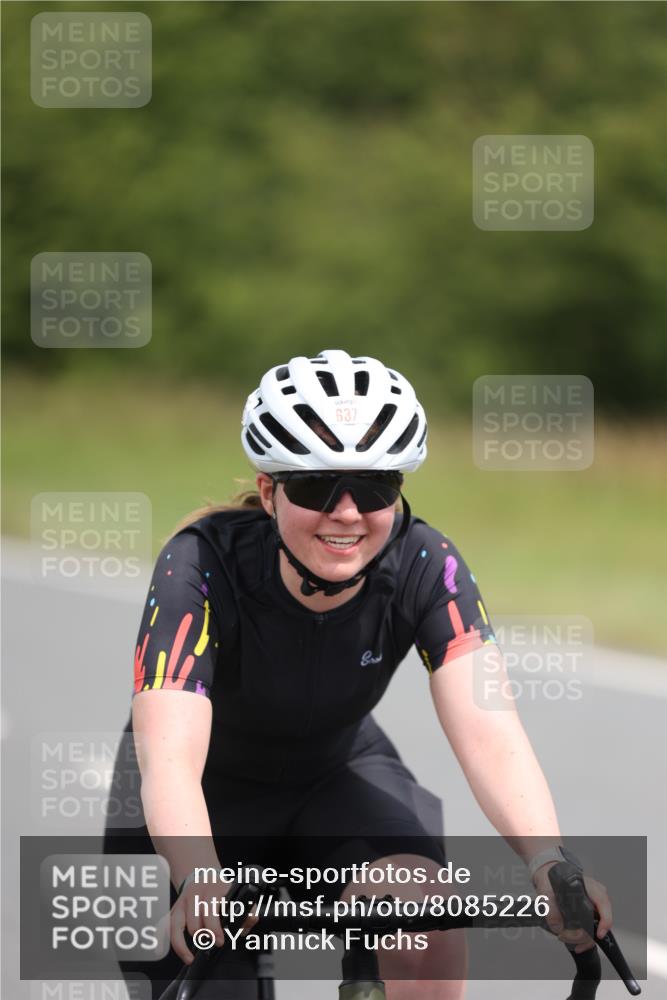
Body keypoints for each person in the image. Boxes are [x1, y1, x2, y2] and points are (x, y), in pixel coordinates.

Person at [104, 349, 612, 999]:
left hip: (334, 775)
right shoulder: (197, 562)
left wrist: (548, 861)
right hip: (199, 796)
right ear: (268, 491)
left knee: (421, 922)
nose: (346, 511)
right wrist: (199, 875)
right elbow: (171, 763)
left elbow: (490, 729)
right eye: (316, 486)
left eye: (374, 485)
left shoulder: (428, 563)